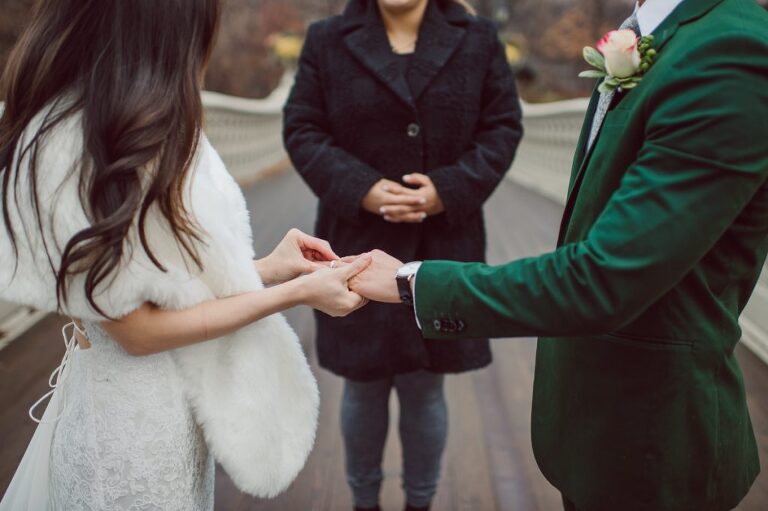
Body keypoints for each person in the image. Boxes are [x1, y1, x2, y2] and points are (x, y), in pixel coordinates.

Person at [347, 0, 768, 510]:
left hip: (656, 441)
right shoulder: (660, 31)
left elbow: (603, 278)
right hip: (600, 426)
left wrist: (413, 281)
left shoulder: (731, 53)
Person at [0, 1, 371, 509]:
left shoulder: (137, 121)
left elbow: (157, 292)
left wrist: (270, 268)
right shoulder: (79, 145)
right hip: (127, 443)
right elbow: (137, 331)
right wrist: (296, 292)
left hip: (174, 417)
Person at [283, 0, 522, 509]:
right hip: (353, 245)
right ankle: (363, 502)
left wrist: (448, 188)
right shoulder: (327, 39)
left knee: (425, 386)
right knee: (363, 384)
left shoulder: (477, 38)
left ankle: (420, 503)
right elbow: (302, 129)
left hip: (442, 242)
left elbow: (502, 128)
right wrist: (361, 187)